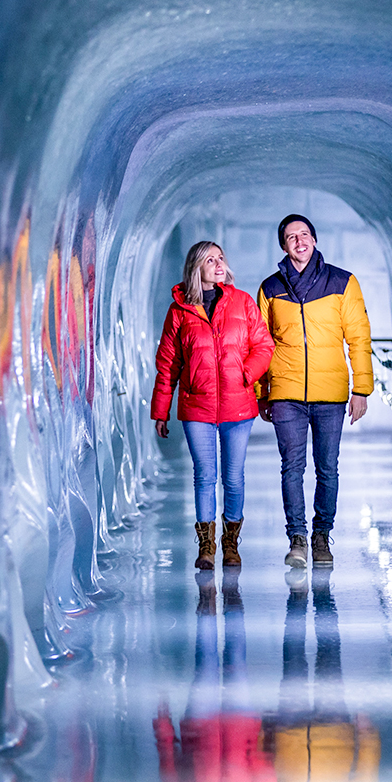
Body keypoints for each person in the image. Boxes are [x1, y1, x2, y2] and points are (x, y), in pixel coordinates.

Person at [257, 214, 373, 567]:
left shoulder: (343, 282)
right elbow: (260, 343)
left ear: (315, 239)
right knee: (291, 467)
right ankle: (297, 538)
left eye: (304, 234)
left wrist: (362, 388)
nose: (299, 241)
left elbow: (358, 337)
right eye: (291, 237)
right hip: (287, 391)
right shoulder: (270, 289)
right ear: (283, 246)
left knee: (327, 467)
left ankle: (322, 535)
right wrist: (262, 391)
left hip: (330, 393)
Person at [152, 241, 275, 570]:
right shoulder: (180, 310)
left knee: (233, 477)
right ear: (196, 267)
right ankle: (206, 546)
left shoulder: (242, 303)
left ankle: (230, 543)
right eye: (210, 259)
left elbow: (264, 345)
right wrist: (160, 411)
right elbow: (168, 363)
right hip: (197, 407)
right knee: (204, 476)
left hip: (238, 405)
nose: (219, 263)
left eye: (221, 257)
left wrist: (246, 374)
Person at [153, 571, 274, 782]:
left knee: (206, 662)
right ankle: (233, 603)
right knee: (235, 661)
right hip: (241, 728)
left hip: (200, 727)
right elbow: (265, 781)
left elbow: (170, 772)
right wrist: (259, 748)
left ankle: (208, 605)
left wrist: (163, 728)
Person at [267, 568, 380, 782]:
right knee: (330, 657)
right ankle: (324, 595)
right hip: (335, 736)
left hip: (289, 733)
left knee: (292, 655)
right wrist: (369, 741)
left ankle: (300, 595)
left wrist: (266, 736)